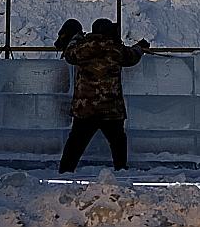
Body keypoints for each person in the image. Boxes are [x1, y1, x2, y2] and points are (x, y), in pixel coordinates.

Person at [59, 18, 147, 173]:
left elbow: (69, 54)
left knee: (75, 143)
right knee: (118, 142)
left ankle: (65, 172)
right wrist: (140, 47)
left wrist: (76, 38)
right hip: (110, 108)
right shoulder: (115, 49)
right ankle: (121, 170)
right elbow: (132, 57)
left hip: (86, 108)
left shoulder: (82, 48)